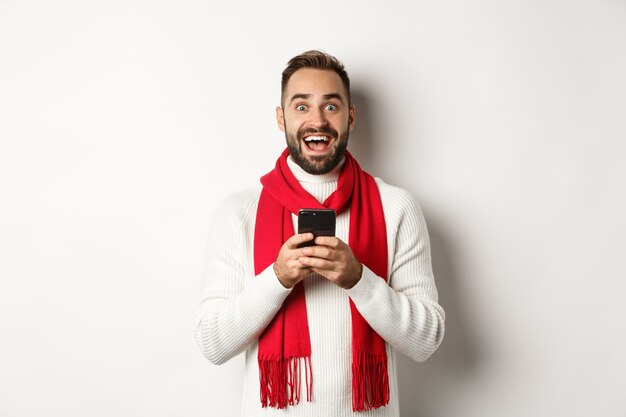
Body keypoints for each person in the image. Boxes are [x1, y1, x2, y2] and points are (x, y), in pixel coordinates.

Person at [195, 50, 445, 417]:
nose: (317, 121)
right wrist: (278, 278)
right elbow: (213, 344)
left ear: (350, 117)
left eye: (331, 107)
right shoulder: (239, 211)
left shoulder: (396, 207)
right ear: (281, 119)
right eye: (301, 107)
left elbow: (427, 340)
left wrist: (359, 279)